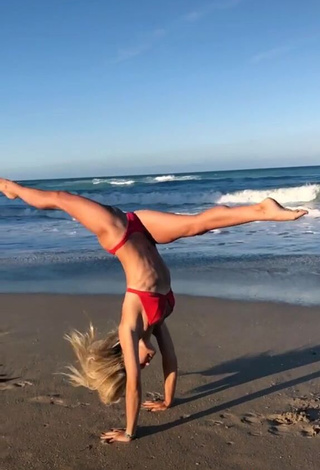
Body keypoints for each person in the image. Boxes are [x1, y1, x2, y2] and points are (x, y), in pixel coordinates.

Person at [0, 178, 308, 443]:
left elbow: (134, 385)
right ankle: (261, 210)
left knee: (59, 200)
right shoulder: (156, 320)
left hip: (118, 231)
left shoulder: (129, 328)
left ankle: (10, 188)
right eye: (146, 365)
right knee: (195, 225)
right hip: (142, 230)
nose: (147, 363)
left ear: (126, 352)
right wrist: (168, 400)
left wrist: (129, 432)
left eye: (139, 363)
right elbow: (171, 361)